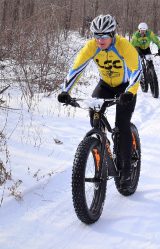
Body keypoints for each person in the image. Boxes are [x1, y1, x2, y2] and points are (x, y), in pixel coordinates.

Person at [57, 14, 142, 187]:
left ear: (112, 34)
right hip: (105, 85)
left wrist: (130, 92)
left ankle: (126, 170)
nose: (99, 40)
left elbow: (136, 69)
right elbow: (77, 68)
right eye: (96, 36)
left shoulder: (123, 46)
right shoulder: (92, 46)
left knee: (122, 124)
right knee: (94, 111)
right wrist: (65, 91)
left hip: (125, 88)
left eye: (103, 36)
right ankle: (100, 146)